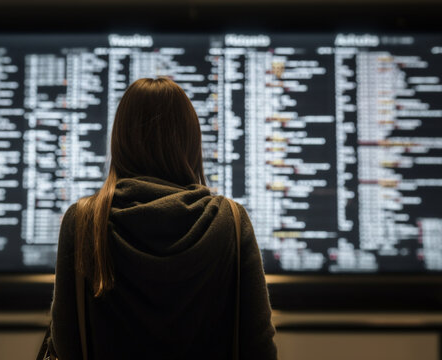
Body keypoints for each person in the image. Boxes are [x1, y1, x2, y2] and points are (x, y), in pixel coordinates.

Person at [50, 77, 277, 360]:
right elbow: (259, 346)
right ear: (191, 141)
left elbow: (66, 343)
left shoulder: (84, 221)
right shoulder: (229, 220)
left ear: (119, 140)